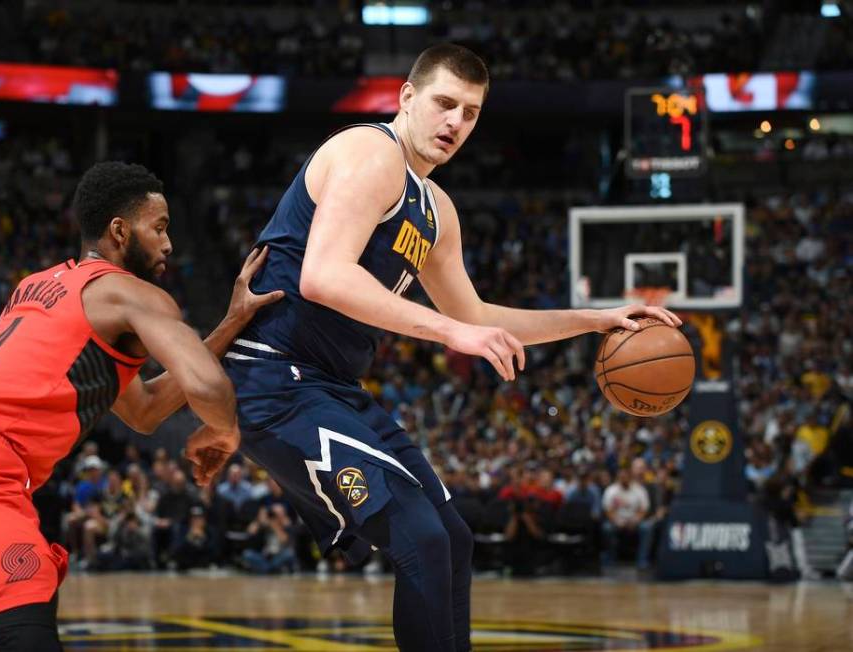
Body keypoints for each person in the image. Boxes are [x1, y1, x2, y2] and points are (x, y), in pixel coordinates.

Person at [221, 43, 681, 651]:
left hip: (330, 388)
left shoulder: (436, 209)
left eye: (470, 113)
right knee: (420, 537)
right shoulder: (369, 152)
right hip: (275, 380)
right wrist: (451, 333)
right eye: (443, 104)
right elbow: (323, 276)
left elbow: (479, 314)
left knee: (452, 538)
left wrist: (596, 320)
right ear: (406, 98)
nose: (454, 123)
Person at [0, 162, 281, 652]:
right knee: (26, 631)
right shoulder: (132, 294)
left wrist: (230, 323)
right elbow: (210, 390)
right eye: (159, 228)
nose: (169, 244)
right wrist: (226, 431)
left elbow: (144, 410)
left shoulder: (41, 285)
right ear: (118, 230)